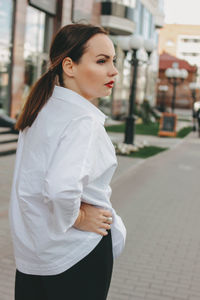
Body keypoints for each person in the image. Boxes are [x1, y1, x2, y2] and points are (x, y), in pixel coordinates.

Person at [9, 23, 126, 300]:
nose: (114, 71)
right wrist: (79, 216)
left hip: (35, 255)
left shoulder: (41, 110)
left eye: (113, 61)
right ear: (69, 66)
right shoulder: (82, 121)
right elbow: (61, 189)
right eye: (101, 61)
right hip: (76, 254)